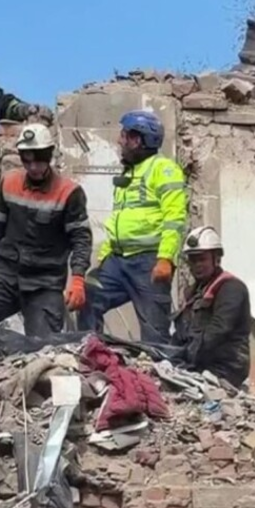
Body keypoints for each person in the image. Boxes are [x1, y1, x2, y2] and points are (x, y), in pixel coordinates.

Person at [0, 123, 91, 337]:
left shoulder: (69, 192)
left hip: (45, 284)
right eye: (27, 161)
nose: (33, 167)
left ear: (49, 155)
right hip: (6, 278)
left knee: (42, 345)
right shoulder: (9, 182)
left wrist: (77, 279)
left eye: (38, 161)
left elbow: (81, 240)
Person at [78, 110, 187, 345]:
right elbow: (118, 219)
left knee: (155, 334)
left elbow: (174, 218)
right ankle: (92, 354)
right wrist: (105, 257)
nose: (120, 141)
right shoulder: (128, 173)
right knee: (89, 294)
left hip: (149, 262)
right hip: (117, 261)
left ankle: (158, 367)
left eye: (124, 135)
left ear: (137, 140)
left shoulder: (163, 169)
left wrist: (166, 258)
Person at [172, 226, 251, 386]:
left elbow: (219, 328)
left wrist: (188, 354)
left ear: (216, 259)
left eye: (202, 259)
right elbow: (181, 334)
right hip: (198, 365)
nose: (197, 265)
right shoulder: (194, 292)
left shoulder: (232, 288)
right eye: (193, 260)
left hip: (226, 368)